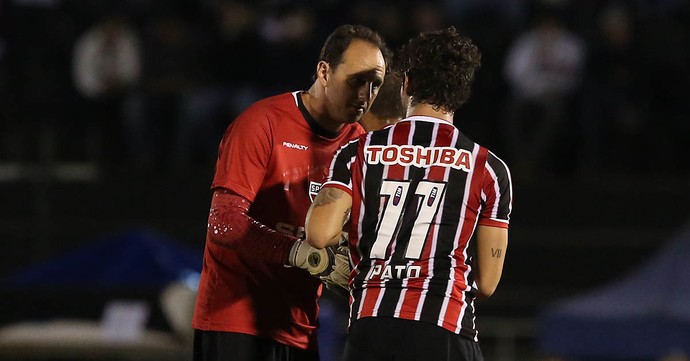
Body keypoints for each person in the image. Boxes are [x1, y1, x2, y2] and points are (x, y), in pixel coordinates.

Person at [304, 27, 513, 361]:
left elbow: (319, 233)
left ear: (407, 84)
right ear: (460, 93)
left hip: (372, 325)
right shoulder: (488, 168)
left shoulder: (358, 151)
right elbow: (487, 283)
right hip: (445, 324)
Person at [191, 24, 388, 361]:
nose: (364, 95)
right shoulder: (262, 123)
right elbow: (223, 222)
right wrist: (304, 254)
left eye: (375, 84)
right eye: (356, 80)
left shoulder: (361, 146)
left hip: (298, 326)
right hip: (234, 322)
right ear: (323, 71)